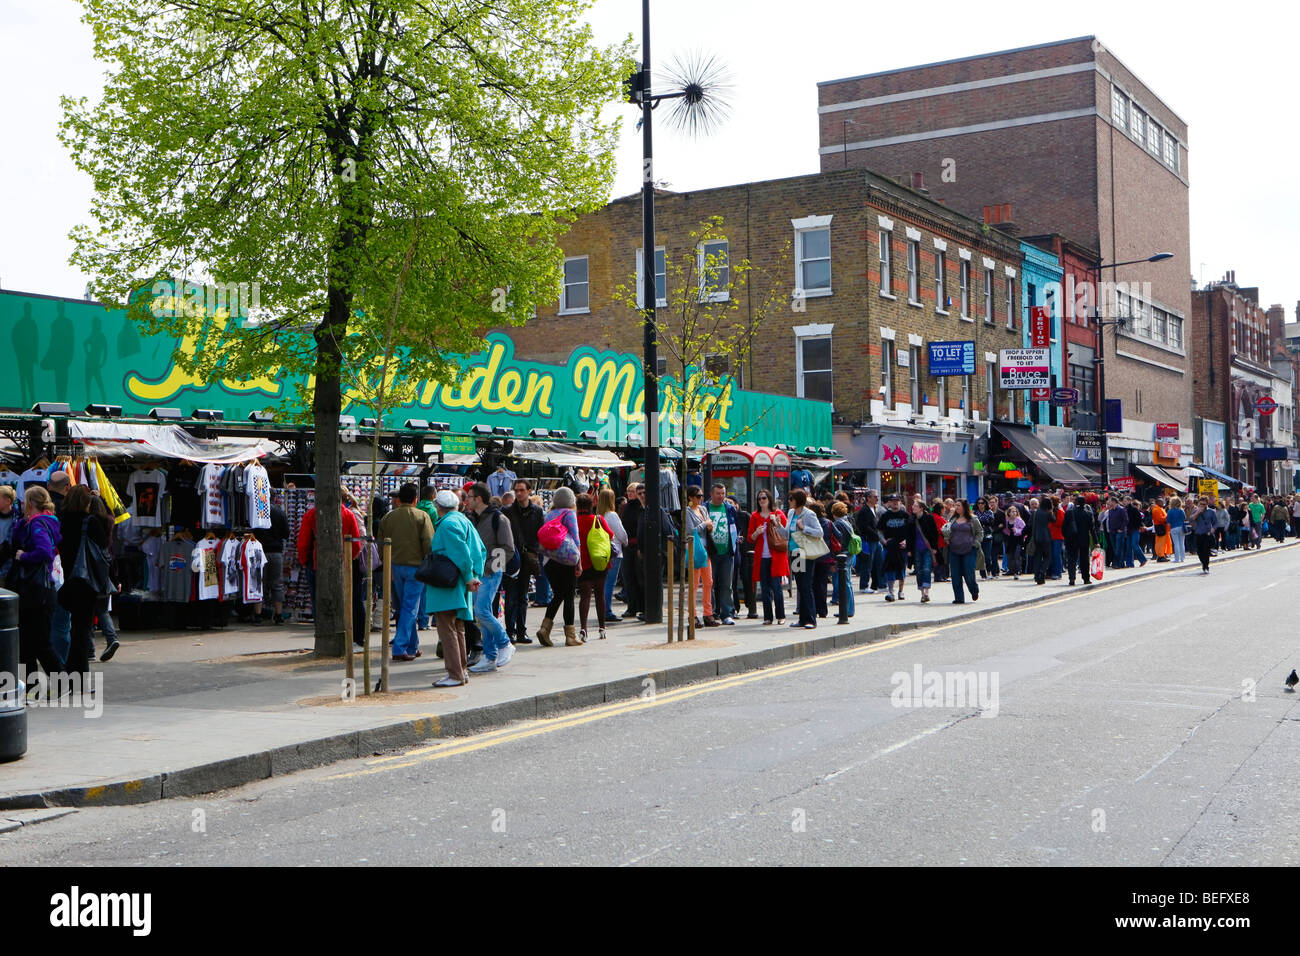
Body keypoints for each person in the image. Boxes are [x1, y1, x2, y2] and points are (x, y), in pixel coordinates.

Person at [424, 489, 485, 687]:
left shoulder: (448, 524)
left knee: (447, 628)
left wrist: (469, 577)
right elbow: (479, 550)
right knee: (457, 628)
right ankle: (461, 671)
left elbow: (461, 553)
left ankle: (455, 674)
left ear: (438, 507)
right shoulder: (463, 521)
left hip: (449, 582)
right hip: (460, 581)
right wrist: (474, 576)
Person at [6, 486, 63, 695]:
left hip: (37, 590)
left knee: (38, 641)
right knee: (29, 642)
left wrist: (23, 556)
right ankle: (33, 687)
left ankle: (60, 682)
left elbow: (44, 552)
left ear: (30, 503)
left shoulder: (38, 524)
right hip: (40, 590)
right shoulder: (42, 522)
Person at [55, 484, 111, 682]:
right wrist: (101, 502)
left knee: (76, 628)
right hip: (86, 581)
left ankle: (73, 672)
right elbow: (104, 546)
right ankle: (78, 676)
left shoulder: (62, 521)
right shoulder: (91, 522)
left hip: (69, 577)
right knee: (82, 629)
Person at [377, 483, 433, 661]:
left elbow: (380, 545)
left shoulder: (388, 517)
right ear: (416, 499)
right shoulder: (421, 516)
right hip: (416, 568)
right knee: (410, 608)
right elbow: (429, 544)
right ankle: (400, 648)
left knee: (405, 608)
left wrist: (387, 564)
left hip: (394, 566)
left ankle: (412, 645)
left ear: (399, 499)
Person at [465, 482, 515, 673]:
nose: (467, 500)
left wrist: (489, 568)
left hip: (490, 573)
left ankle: (505, 644)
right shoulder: (473, 518)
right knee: (481, 614)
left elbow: (508, 548)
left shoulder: (499, 519)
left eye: (469, 497)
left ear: (478, 499)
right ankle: (490, 656)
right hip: (477, 573)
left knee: (482, 612)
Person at [297, 494, 363, 624]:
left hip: (316, 564)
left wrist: (304, 561)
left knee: (318, 601)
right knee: (342, 599)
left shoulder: (311, 514)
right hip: (342, 563)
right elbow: (356, 544)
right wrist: (347, 560)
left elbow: (303, 543)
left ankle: (322, 631)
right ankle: (341, 629)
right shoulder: (348, 515)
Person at [537, 486, 583, 647]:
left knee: (558, 595)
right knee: (569, 596)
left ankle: (545, 628)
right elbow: (576, 539)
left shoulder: (548, 514)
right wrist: (579, 562)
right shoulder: (569, 513)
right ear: (571, 501)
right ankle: (570, 636)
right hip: (567, 561)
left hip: (550, 561)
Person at [504, 478, 543, 644]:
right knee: (511, 596)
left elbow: (540, 533)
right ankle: (510, 631)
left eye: (522, 490)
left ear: (529, 491)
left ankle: (522, 631)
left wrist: (534, 551)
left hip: (527, 558)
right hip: (511, 559)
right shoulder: (507, 511)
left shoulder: (537, 511)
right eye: (516, 490)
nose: (519, 493)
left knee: (523, 596)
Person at [574, 493, 615, 641]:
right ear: (591, 505)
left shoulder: (574, 521)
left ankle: (583, 629)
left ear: (577, 506)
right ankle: (602, 628)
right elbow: (610, 535)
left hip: (582, 562)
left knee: (585, 596)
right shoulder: (598, 519)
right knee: (600, 595)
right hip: (599, 561)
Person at [748, 488, 788, 625]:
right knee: (764, 588)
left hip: (776, 556)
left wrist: (777, 524)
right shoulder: (754, 516)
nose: (761, 501)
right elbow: (750, 538)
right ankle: (767, 617)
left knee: (777, 587)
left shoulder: (778, 513)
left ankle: (781, 616)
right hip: (762, 557)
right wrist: (756, 533)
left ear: (770, 499)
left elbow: (786, 534)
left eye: (764, 498)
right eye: (759, 499)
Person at [703, 483, 741, 626]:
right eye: (718, 493)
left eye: (723, 493)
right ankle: (711, 613)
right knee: (710, 584)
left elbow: (736, 527)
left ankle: (727, 613)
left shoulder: (730, 508)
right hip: (710, 553)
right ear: (711, 494)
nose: (721, 496)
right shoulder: (704, 508)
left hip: (727, 552)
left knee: (726, 585)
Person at [785, 488, 822, 629]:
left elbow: (819, 532)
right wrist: (777, 526)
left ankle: (811, 619)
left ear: (798, 500)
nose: (789, 502)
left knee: (806, 586)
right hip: (795, 553)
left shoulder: (809, 514)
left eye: (791, 499)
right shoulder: (790, 513)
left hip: (806, 553)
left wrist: (804, 527)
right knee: (800, 586)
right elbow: (786, 534)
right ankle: (802, 619)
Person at [254, 500, 290, 625]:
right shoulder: (280, 513)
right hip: (276, 551)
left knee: (260, 583)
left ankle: (257, 615)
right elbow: (286, 533)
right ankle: (279, 615)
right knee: (277, 584)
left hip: (261, 550)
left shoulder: (258, 512)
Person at [598, 488, 628, 624]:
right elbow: (621, 534)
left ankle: (603, 609)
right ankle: (607, 611)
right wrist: (625, 542)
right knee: (610, 583)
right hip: (614, 551)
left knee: (604, 582)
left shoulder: (598, 515)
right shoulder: (612, 515)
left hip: (601, 551)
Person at [878, 494, 913, 602]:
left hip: (902, 547)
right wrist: (884, 541)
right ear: (890, 502)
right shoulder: (885, 515)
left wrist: (907, 541)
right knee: (889, 569)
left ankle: (900, 591)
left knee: (902, 570)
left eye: (897, 501)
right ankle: (891, 592)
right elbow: (879, 531)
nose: (895, 503)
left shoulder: (905, 515)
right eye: (893, 501)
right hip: (889, 547)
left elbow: (911, 532)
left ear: (900, 502)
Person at [946, 499, 981, 604]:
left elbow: (980, 532)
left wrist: (975, 544)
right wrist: (947, 538)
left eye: (958, 505)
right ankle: (959, 598)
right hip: (954, 550)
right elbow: (947, 529)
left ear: (964, 507)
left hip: (969, 550)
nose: (956, 507)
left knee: (969, 574)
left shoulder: (972, 519)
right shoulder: (953, 519)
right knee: (955, 575)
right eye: (955, 505)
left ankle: (974, 590)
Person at [808, 500, 835, 619]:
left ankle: (814, 609)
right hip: (826, 557)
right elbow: (839, 535)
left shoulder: (810, 524)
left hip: (813, 556)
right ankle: (823, 610)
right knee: (822, 584)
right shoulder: (829, 523)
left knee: (813, 584)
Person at [622, 483, 644, 619]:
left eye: (632, 491)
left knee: (639, 577)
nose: (630, 493)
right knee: (629, 577)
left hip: (637, 546)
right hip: (628, 546)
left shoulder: (640, 507)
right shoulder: (626, 507)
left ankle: (641, 607)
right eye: (628, 491)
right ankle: (631, 607)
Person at [829, 501, 855, 618]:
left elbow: (838, 541)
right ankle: (849, 609)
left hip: (843, 556)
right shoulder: (847, 521)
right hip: (849, 554)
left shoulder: (838, 523)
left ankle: (847, 610)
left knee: (845, 583)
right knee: (847, 582)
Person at [910, 496, 939, 603]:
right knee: (919, 570)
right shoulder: (911, 519)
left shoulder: (929, 518)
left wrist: (935, 547)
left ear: (921, 508)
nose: (913, 507)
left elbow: (934, 533)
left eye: (915, 506)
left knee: (926, 568)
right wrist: (909, 550)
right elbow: (909, 536)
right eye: (913, 505)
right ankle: (922, 593)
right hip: (916, 548)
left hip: (927, 548)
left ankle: (926, 592)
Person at [1062, 493, 1095, 585]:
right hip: (1084, 539)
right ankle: (1086, 579)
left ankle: (1072, 579)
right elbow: (1092, 528)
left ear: (1076, 502)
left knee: (1071, 559)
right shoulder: (1088, 513)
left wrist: (1065, 537)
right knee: (1084, 559)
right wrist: (1096, 541)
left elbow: (1064, 526)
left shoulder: (1069, 512)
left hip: (1071, 539)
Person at [854, 490, 882, 593]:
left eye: (877, 496)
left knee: (879, 562)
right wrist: (874, 534)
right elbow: (863, 526)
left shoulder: (873, 509)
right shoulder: (864, 511)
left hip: (876, 540)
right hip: (869, 540)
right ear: (869, 498)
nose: (877, 499)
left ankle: (881, 584)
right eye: (875, 497)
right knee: (868, 564)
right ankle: (863, 586)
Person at [1030, 496, 1053, 585]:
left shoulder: (1035, 513)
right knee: (1047, 557)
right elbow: (1053, 520)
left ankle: (1036, 576)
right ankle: (1042, 572)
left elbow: (1029, 524)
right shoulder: (1048, 513)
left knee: (1037, 557)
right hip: (1046, 537)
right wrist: (1051, 512)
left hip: (1036, 537)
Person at [1190, 497, 1216, 573]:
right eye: (1200, 504)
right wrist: (1198, 512)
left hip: (1207, 534)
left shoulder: (1211, 512)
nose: (1202, 505)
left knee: (1206, 551)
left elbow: (1215, 523)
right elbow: (1191, 519)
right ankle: (1203, 563)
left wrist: (1212, 530)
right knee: (1199, 551)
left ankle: (1206, 566)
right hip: (1198, 533)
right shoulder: (1195, 511)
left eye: (1204, 504)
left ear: (1207, 504)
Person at [1003, 504, 1026, 580]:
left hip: (1018, 540)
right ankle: (1011, 570)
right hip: (1010, 540)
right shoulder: (1007, 520)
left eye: (1015, 511)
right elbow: (1006, 529)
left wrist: (1016, 530)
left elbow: (1024, 529)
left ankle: (1017, 571)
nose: (1014, 513)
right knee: (1010, 555)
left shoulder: (1019, 520)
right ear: (1008, 513)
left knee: (1017, 556)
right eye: (1012, 511)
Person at [1048, 495, 1065, 579]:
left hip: (1058, 536)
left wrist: (1051, 518)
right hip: (1051, 535)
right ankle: (1051, 572)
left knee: (1056, 554)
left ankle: (1058, 573)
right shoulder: (1051, 511)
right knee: (1051, 555)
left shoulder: (1060, 511)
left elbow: (1060, 522)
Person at [1150, 497, 1172, 562]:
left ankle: (1163, 555)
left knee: (1163, 542)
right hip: (1160, 527)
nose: (1163, 503)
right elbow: (1160, 519)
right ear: (1158, 502)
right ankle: (1160, 556)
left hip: (1164, 527)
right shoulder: (1156, 509)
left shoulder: (1160, 508)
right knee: (1160, 543)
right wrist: (1167, 517)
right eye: (1162, 502)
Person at [1166, 496, 1187, 563]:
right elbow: (1184, 518)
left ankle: (1176, 559)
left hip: (1174, 528)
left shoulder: (1170, 511)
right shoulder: (1181, 510)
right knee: (1182, 543)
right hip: (1181, 527)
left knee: (1176, 544)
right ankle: (1182, 558)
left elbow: (1168, 522)